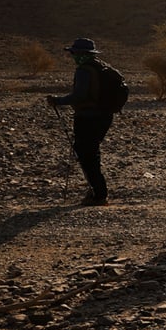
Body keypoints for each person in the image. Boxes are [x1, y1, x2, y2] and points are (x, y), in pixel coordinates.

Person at [46, 38, 116, 206]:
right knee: (90, 151)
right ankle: (97, 192)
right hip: (105, 116)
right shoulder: (101, 67)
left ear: (81, 54)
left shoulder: (84, 71)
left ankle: (99, 194)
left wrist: (58, 100)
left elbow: (80, 96)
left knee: (86, 153)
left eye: (74, 53)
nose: (72, 56)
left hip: (87, 117)